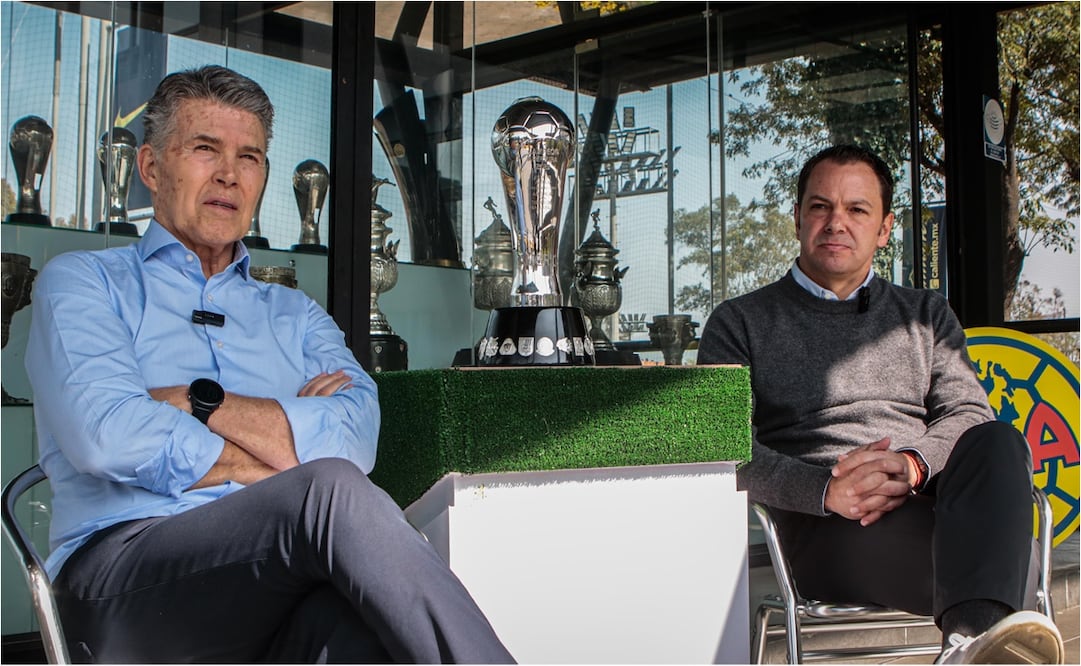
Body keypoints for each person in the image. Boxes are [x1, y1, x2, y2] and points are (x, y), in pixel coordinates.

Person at [25, 65, 514, 664]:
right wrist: (283, 464)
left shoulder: (295, 315)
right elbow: (109, 436)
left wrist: (200, 402)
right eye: (206, 149)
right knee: (328, 495)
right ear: (151, 168)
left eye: (249, 157)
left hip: (270, 588)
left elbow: (354, 440)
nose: (229, 174)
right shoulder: (83, 284)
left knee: (361, 629)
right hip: (122, 577)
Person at [697, 144, 1064, 664]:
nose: (836, 223)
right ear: (797, 218)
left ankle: (967, 640)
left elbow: (967, 414)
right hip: (823, 528)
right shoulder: (739, 322)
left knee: (998, 438)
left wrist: (912, 465)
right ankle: (975, 637)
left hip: (927, 499)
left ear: (885, 228)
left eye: (857, 209)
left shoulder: (926, 314)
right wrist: (827, 489)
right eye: (820, 207)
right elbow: (722, 449)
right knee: (1013, 566)